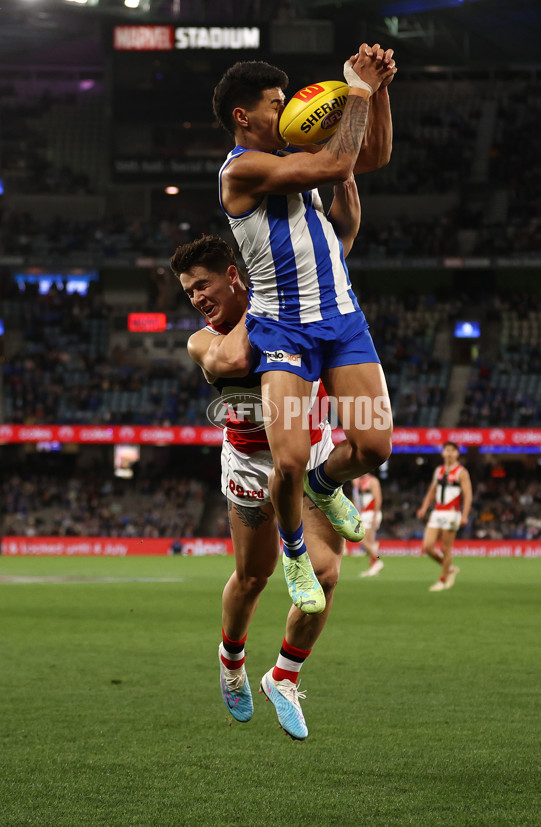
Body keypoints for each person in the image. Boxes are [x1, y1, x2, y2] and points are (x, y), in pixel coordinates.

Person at [212, 44, 395, 617]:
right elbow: (335, 164)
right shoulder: (242, 169)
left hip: (340, 319)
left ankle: (324, 483)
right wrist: (355, 91)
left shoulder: (297, 162)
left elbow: (374, 156)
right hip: (283, 330)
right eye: (274, 103)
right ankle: (294, 552)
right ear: (245, 117)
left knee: (373, 445)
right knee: (286, 459)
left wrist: (379, 90)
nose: (285, 108)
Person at [171, 233, 352, 740]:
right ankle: (231, 660)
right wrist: (277, 296)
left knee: (327, 572)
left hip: (311, 448)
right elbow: (234, 360)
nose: (198, 299)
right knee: (254, 577)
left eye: (203, 286)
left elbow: (334, 257)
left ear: (232, 276)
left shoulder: (289, 303)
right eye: (189, 293)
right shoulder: (203, 340)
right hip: (251, 463)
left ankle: (285, 678)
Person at [416, 442, 472, 592]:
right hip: (437, 511)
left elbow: (468, 495)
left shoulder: (461, 472)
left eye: (452, 451)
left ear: (457, 454)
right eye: (447, 450)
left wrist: (465, 515)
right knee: (428, 546)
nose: (449, 453)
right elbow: (432, 491)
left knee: (446, 548)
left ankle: (442, 579)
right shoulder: (439, 470)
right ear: (442, 453)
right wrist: (424, 507)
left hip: (452, 513)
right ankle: (450, 569)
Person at [353, 472, 384, 576]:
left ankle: (378, 560)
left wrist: (375, 515)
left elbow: (378, 498)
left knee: (361, 538)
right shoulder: (358, 482)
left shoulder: (372, 481)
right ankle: (374, 566)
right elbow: (356, 499)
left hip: (371, 513)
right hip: (363, 513)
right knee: (370, 544)